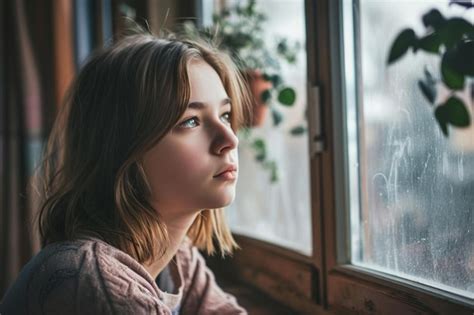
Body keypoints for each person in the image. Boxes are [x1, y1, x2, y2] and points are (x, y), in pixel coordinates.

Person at [0, 30, 252, 314]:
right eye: (191, 121)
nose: (230, 139)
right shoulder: (93, 281)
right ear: (122, 149)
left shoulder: (176, 259)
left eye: (225, 115)